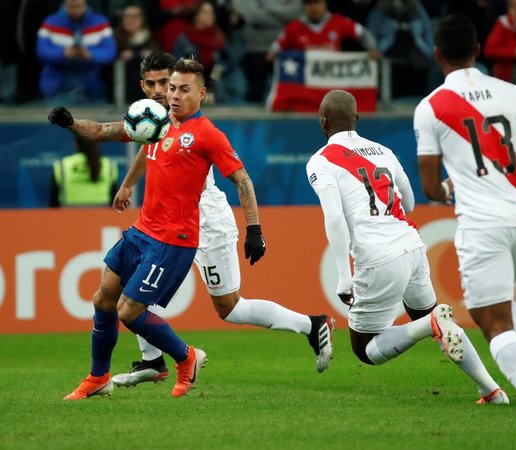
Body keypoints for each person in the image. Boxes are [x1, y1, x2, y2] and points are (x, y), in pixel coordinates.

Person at [48, 51, 334, 388]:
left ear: (190, 89)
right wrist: (125, 181)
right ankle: (154, 361)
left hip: (207, 222)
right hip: (165, 227)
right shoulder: (154, 120)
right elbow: (127, 139)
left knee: (230, 308)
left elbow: (241, 179)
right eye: (154, 85)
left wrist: (254, 228)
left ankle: (312, 325)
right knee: (128, 289)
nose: (160, 92)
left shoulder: (199, 130)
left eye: (167, 84)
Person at [414, 15, 516, 434]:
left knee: (491, 322)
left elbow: (430, 185)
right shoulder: (514, 93)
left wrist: (451, 187)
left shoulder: (431, 107)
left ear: (436, 54)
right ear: (479, 51)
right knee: (505, 301)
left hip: (484, 225)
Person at [307, 89, 511, 406]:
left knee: (366, 349)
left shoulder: (320, 161)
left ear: (322, 122)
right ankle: (491, 390)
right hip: (412, 246)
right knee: (439, 321)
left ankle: (428, 326)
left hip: (377, 257)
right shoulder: (383, 151)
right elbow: (411, 201)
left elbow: (334, 218)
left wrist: (343, 276)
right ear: (357, 119)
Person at [36, 0, 117, 104]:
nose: (75, 10)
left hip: (92, 87)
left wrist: (90, 54)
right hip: (58, 87)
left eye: (78, 6)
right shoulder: (50, 22)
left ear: (85, 3)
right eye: (71, 6)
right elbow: (42, 50)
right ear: (64, 3)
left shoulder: (101, 22)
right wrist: (63, 53)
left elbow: (110, 51)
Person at [266, 0, 380, 61]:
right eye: (309, 3)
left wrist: (372, 48)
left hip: (331, 82)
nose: (313, 7)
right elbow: (276, 47)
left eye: (317, 2)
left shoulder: (339, 22)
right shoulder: (294, 27)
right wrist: (273, 53)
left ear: (325, 3)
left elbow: (363, 33)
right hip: (305, 87)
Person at [50, 136, 118, 207]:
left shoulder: (62, 165)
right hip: (103, 217)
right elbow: (115, 201)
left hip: (69, 217)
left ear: (76, 144)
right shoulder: (109, 165)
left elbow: (53, 204)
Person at [114, 3, 160, 103]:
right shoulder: (115, 38)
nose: (131, 20)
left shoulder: (151, 38)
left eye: (135, 16)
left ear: (142, 19)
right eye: (127, 16)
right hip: (121, 90)